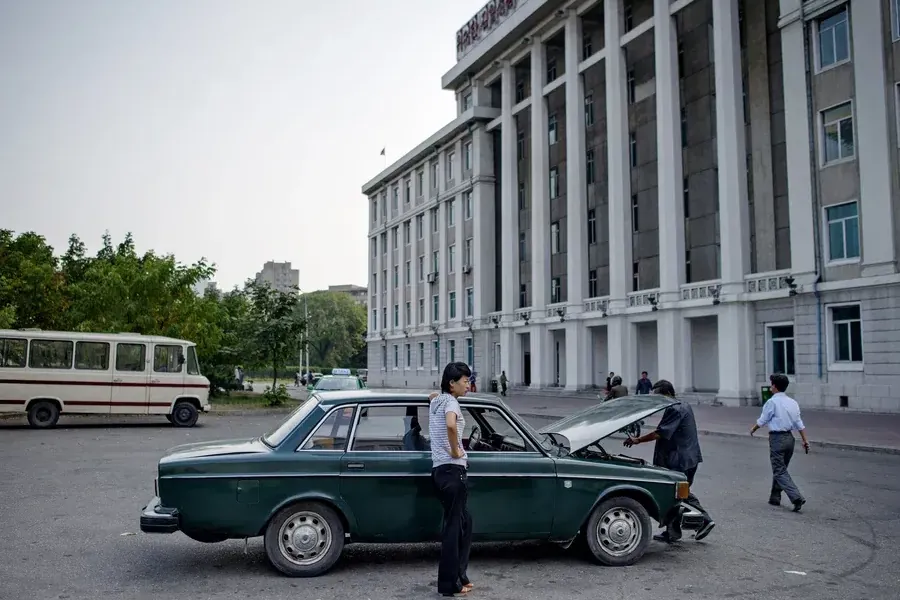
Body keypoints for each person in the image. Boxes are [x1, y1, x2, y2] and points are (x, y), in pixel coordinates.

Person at [623, 379, 715, 543]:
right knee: (675, 494)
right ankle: (672, 531)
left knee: (678, 492)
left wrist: (638, 440)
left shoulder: (674, 408)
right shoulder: (682, 404)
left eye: (657, 396)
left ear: (666, 394)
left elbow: (661, 433)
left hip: (679, 460)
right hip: (688, 457)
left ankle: (705, 521)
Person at [429, 362, 474, 597]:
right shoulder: (451, 403)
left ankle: (461, 576)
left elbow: (432, 395)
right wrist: (457, 450)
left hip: (439, 472)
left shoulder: (437, 401)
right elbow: (450, 424)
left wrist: (438, 394)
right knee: (453, 529)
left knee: (465, 523)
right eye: (465, 381)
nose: (468, 385)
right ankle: (449, 586)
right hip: (453, 472)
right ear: (452, 383)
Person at [750, 373, 809, 512]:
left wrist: (753, 428)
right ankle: (775, 497)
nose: (770, 386)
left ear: (774, 386)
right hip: (790, 438)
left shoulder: (772, 402)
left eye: (771, 384)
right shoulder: (792, 402)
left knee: (779, 470)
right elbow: (799, 423)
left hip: (777, 439)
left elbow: (763, 419)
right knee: (781, 469)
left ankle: (796, 497)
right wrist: (805, 440)